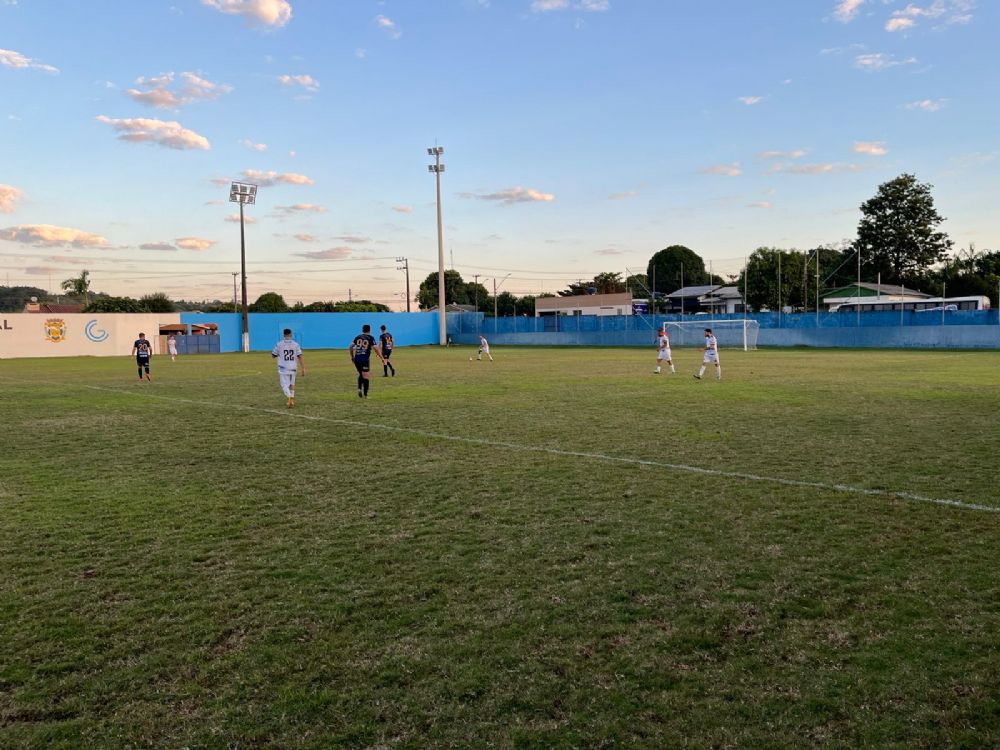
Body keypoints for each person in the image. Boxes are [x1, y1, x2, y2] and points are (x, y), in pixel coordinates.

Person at [271, 328, 305, 408]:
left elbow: (273, 355)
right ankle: (292, 400)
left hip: (283, 368)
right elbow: (300, 356)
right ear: (291, 335)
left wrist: (278, 354)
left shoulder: (279, 344)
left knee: (284, 385)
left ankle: (289, 397)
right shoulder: (296, 344)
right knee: (292, 383)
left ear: (283, 335)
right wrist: (303, 368)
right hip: (293, 367)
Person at [350, 324, 385, 398]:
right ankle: (365, 395)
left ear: (362, 330)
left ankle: (359, 388)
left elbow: (350, 346)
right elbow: (376, 348)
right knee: (366, 376)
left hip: (357, 359)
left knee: (361, 374)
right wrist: (381, 357)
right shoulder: (370, 338)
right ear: (369, 330)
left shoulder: (358, 337)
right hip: (365, 359)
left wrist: (352, 357)